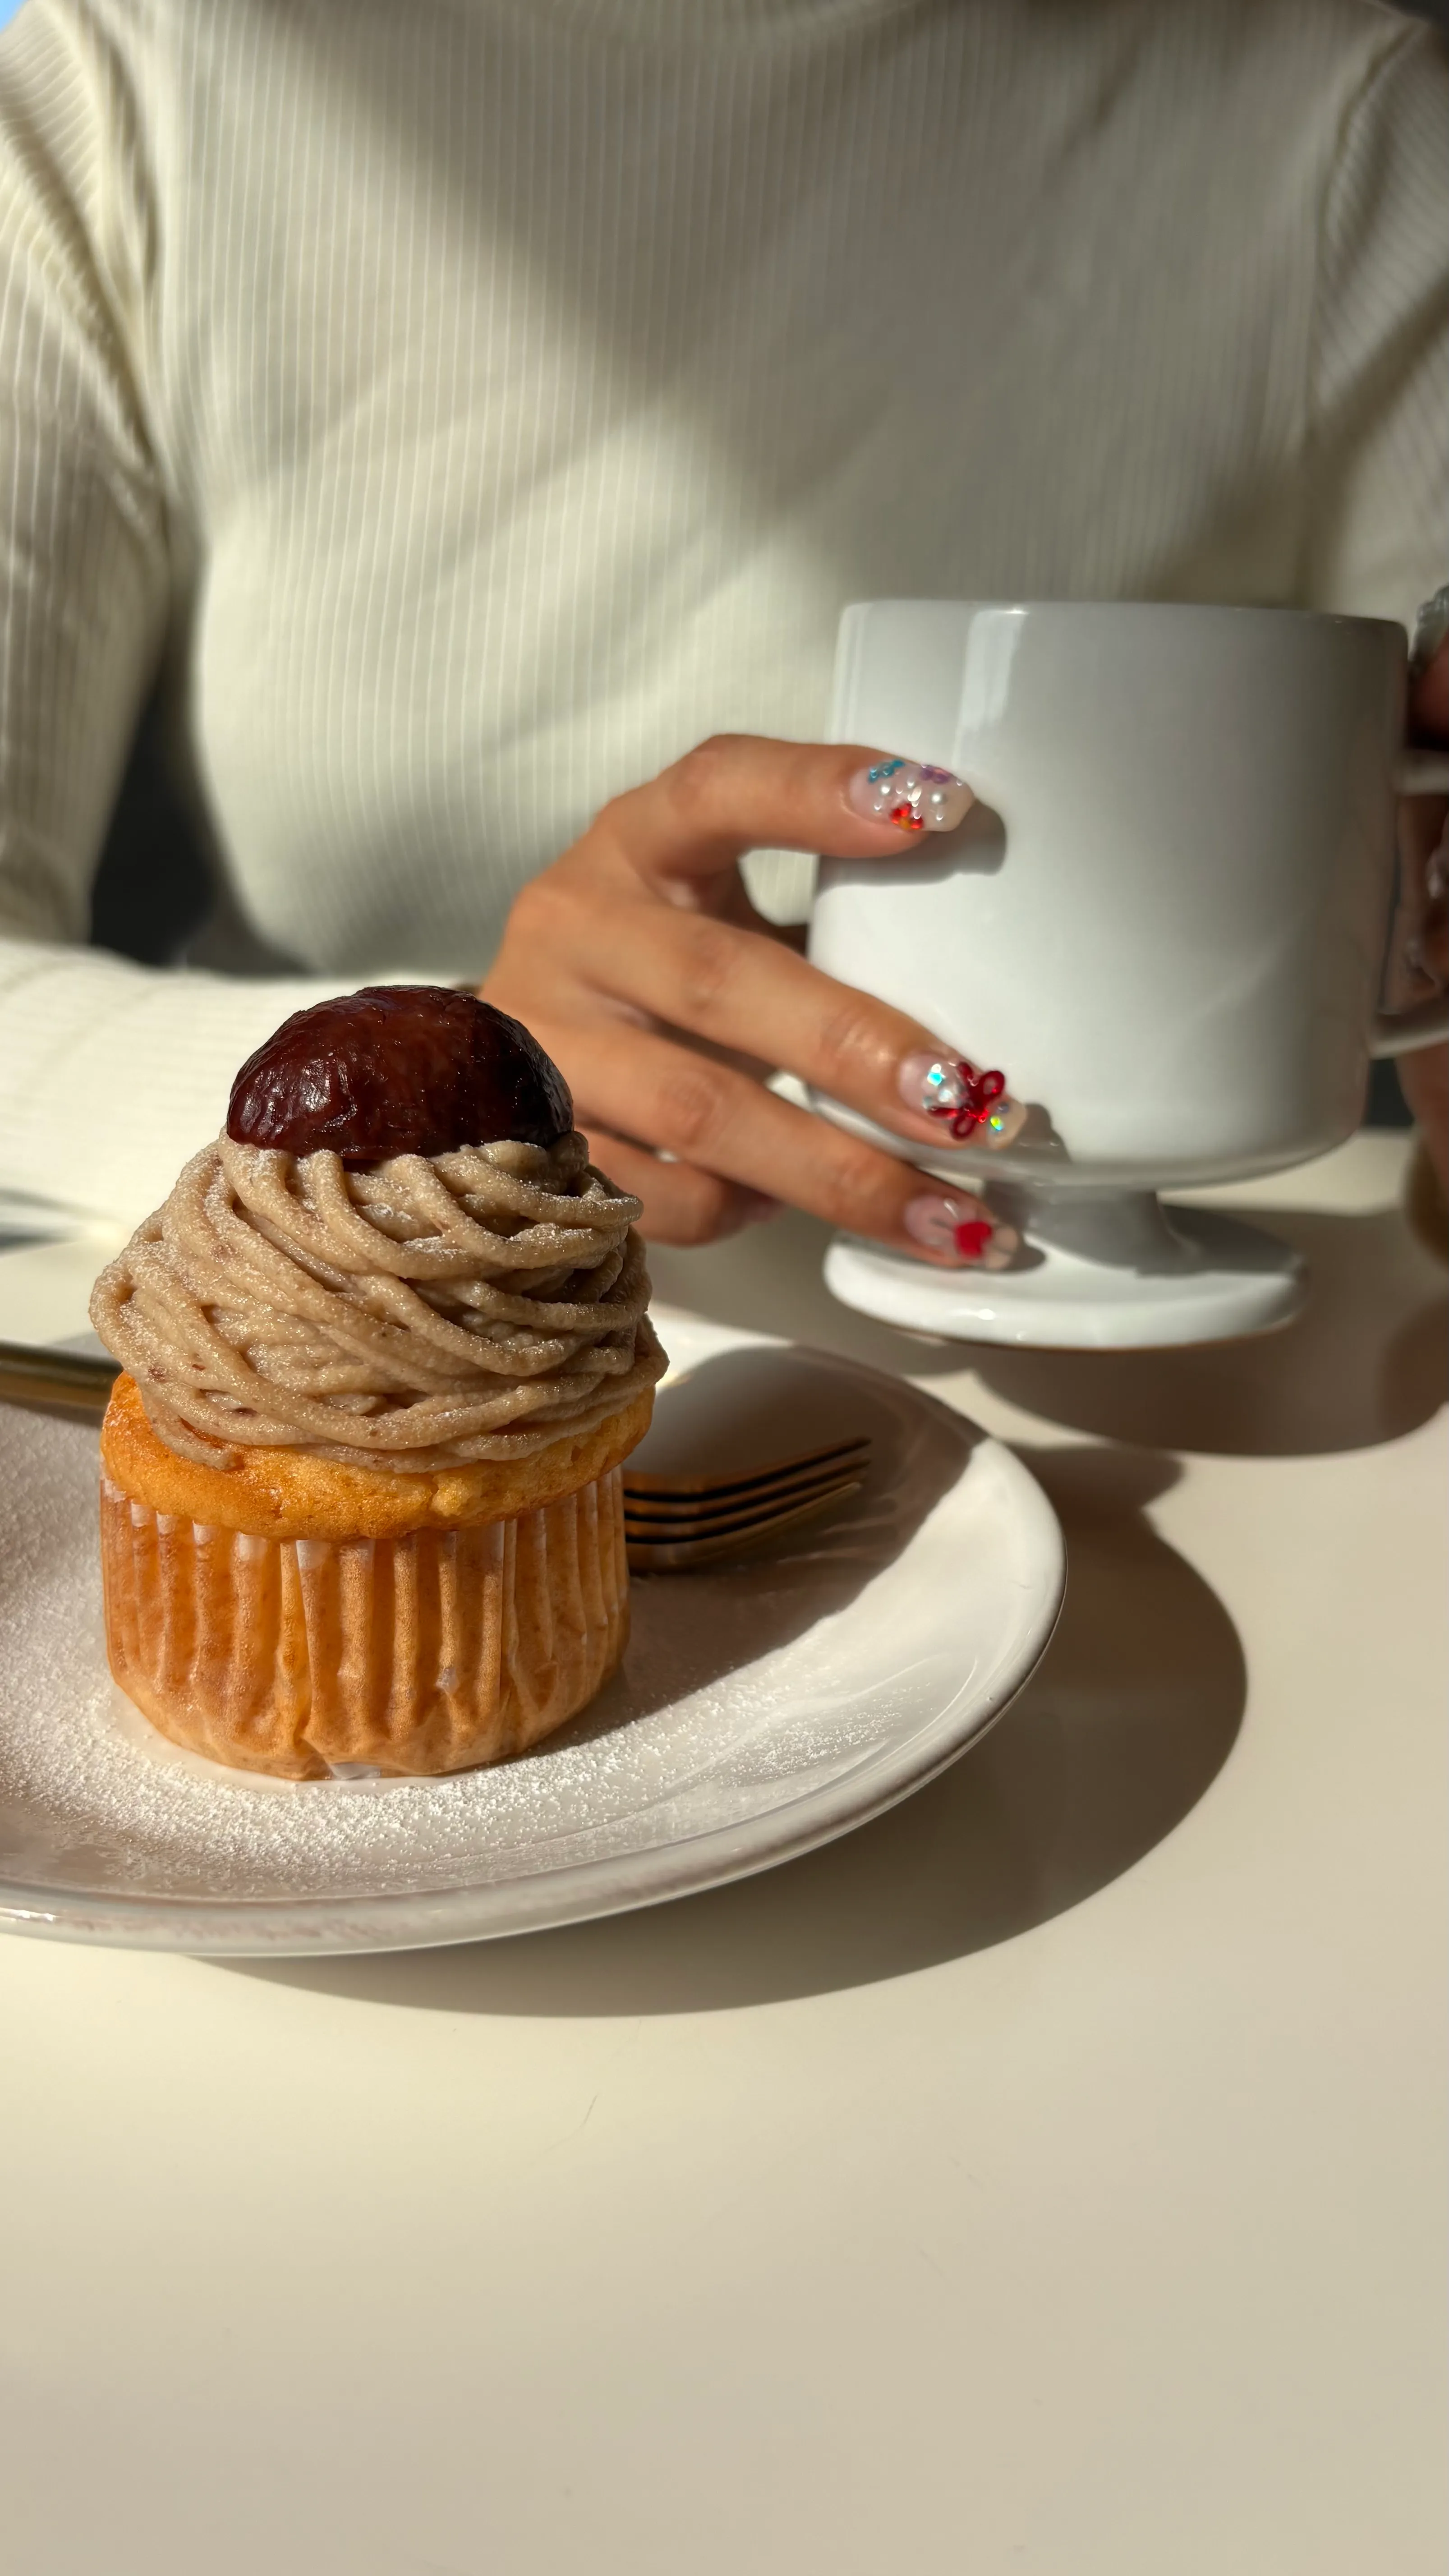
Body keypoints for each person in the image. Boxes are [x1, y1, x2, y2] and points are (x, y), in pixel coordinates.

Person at [0, 0, 1444, 1258]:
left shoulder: (1344, 123)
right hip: (323, 1341)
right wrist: (440, 1102)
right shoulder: (140, 81)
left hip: (1234, 1394)